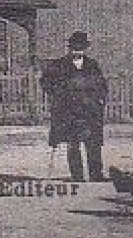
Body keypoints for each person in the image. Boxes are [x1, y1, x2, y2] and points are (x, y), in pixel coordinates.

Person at [43, 31, 108, 182]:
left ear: (85, 49)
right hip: (69, 110)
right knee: (73, 143)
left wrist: (99, 100)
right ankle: (77, 176)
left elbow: (102, 84)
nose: (77, 51)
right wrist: (56, 94)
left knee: (93, 143)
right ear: (69, 48)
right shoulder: (59, 65)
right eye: (74, 47)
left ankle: (96, 174)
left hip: (89, 110)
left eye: (80, 48)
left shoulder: (92, 65)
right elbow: (45, 82)